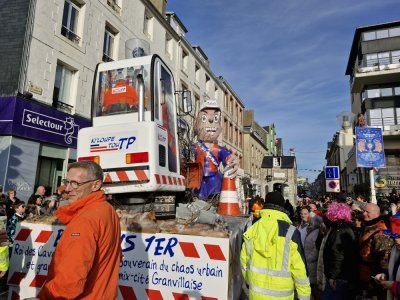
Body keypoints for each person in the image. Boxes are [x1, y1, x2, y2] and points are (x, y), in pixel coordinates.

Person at [36, 161, 121, 299]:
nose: (67, 188)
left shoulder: (85, 219)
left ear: (96, 185)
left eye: (75, 183)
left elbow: (70, 279)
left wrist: (45, 298)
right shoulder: (107, 209)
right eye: (67, 182)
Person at [240, 191, 311, 299]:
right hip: (283, 295)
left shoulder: (252, 228)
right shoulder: (290, 232)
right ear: (282, 207)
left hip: (256, 294)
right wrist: (304, 296)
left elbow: (244, 260)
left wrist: (250, 281)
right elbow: (300, 269)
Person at [358, 203, 394, 299]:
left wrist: (375, 286)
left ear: (376, 214)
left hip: (373, 279)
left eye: (367, 212)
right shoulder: (367, 227)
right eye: (363, 211)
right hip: (363, 276)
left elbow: (382, 261)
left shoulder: (381, 232)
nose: (364, 213)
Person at [322, 202, 357, 299]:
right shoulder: (344, 228)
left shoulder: (339, 230)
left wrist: (333, 276)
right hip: (343, 275)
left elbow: (337, 254)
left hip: (339, 276)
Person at [374, 213, 400, 299]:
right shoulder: (395, 249)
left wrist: (394, 286)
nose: (395, 239)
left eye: (399, 236)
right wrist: (385, 275)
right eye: (393, 236)